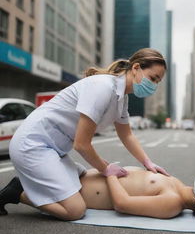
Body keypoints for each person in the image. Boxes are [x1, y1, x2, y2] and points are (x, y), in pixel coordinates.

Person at [6, 48, 170, 221]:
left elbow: (127, 135)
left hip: (54, 149)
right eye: (153, 78)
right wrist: (105, 168)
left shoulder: (122, 99)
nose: (154, 86)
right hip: (32, 145)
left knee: (84, 179)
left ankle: (34, 190)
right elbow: (81, 144)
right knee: (75, 210)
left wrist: (148, 162)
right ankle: (18, 192)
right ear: (136, 68)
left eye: (158, 81)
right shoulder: (103, 87)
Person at [0, 164, 195, 225]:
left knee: (72, 212)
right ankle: (20, 186)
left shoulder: (173, 203)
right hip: (84, 174)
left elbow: (123, 204)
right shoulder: (177, 183)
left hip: (80, 189)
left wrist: (111, 174)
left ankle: (19, 193)